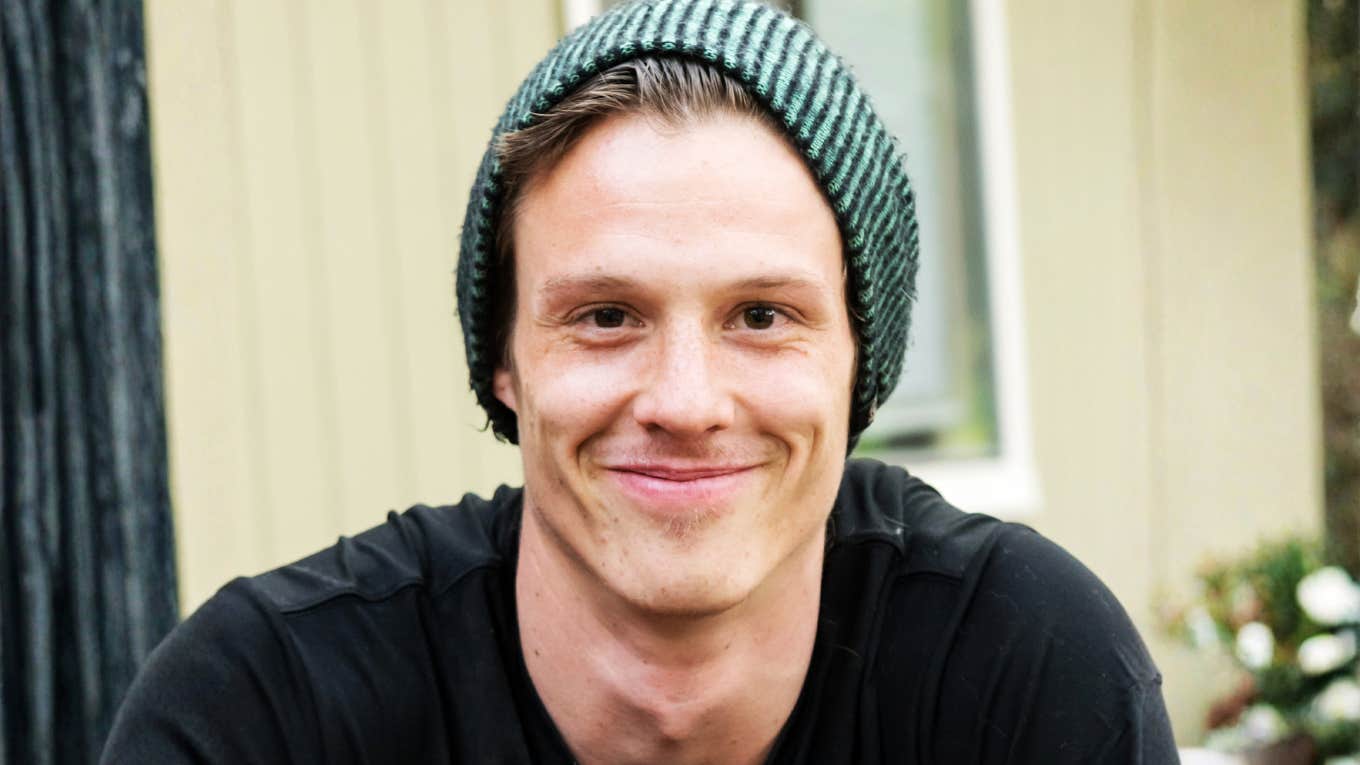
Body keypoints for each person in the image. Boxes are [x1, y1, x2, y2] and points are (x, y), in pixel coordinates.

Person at [102, 1, 1179, 762]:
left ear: (861, 363)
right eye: (605, 317)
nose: (683, 400)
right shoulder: (265, 708)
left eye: (762, 316)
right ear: (503, 362)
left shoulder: (1021, 669)